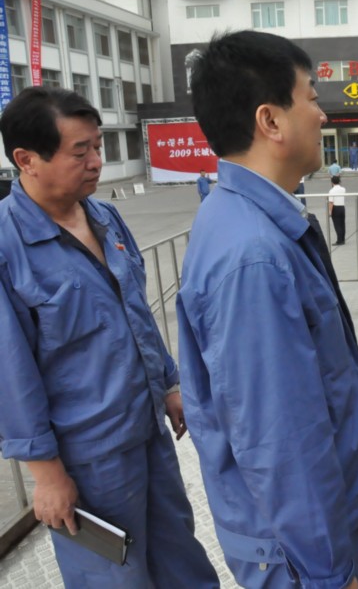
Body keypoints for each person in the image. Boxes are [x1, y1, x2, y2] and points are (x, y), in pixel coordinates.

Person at [177, 30, 358, 589]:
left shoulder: (245, 217)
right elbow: (280, 437)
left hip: (305, 530)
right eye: (312, 97)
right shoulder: (254, 257)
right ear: (270, 121)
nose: (323, 115)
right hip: (300, 550)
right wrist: (328, 572)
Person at [0, 87, 218, 588]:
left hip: (147, 429)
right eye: (81, 152)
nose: (96, 162)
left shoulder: (104, 217)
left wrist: (168, 384)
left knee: (180, 556)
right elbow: (10, 373)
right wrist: (47, 474)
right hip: (87, 456)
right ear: (26, 159)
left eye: (98, 147)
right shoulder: (9, 248)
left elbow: (136, 311)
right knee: (113, 576)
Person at [329, 174, 346, 245]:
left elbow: (331, 202)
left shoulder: (331, 191)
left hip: (335, 208)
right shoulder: (343, 189)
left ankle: (339, 240)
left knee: (337, 225)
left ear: (332, 182)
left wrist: (330, 212)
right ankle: (343, 239)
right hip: (342, 207)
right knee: (342, 224)